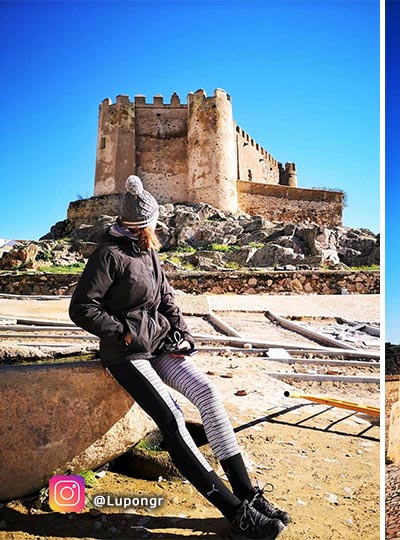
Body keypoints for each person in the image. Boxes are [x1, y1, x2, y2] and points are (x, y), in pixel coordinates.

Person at [69, 176, 289, 540]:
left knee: (208, 394)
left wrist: (182, 334)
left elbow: (167, 300)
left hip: (159, 347)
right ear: (144, 222)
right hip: (126, 355)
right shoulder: (109, 254)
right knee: (171, 417)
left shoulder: (148, 252)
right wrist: (123, 332)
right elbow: (82, 308)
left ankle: (249, 494)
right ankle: (236, 513)